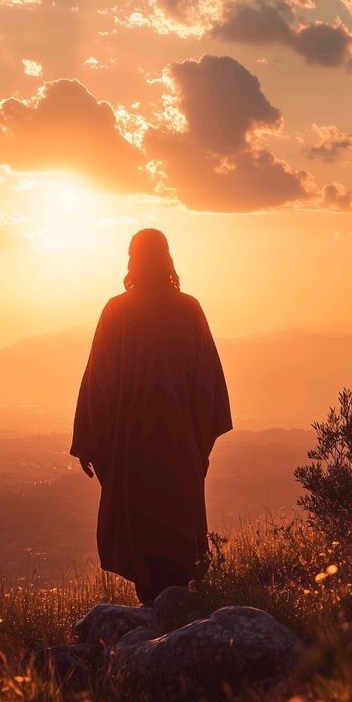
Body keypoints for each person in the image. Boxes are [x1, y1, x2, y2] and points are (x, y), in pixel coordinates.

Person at [70, 228, 232, 604]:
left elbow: (100, 379)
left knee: (141, 531)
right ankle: (176, 613)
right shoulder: (189, 309)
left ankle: (152, 613)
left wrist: (88, 439)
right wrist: (198, 439)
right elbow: (208, 383)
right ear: (167, 257)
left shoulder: (118, 310)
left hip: (133, 449)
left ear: (133, 259)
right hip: (179, 445)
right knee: (178, 532)